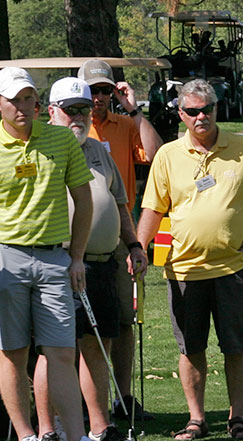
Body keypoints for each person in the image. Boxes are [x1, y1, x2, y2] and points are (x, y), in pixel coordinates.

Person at [137, 79, 243, 441]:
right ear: (181, 114)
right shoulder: (168, 155)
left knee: (236, 346)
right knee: (191, 349)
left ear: (217, 109)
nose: (201, 116)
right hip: (184, 270)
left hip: (234, 268)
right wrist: (138, 249)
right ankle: (196, 420)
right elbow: (152, 209)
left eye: (208, 109)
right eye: (193, 111)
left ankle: (237, 419)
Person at [0, 67, 119, 441]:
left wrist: (77, 256)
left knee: (61, 351)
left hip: (55, 259)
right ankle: (27, 438)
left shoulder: (61, 139)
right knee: (13, 351)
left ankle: (79, 440)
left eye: (29, 98)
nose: (23, 107)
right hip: (5, 255)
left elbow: (83, 199)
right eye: (15, 100)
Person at [33, 77, 148, 441]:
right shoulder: (42, 147)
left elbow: (118, 204)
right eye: (70, 110)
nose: (78, 117)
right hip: (57, 261)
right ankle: (48, 432)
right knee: (55, 349)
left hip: (100, 262)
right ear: (52, 112)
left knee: (97, 345)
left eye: (83, 109)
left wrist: (133, 244)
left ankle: (100, 428)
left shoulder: (99, 151)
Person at [78, 59, 163, 422]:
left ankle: (123, 398)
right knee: (81, 328)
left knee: (122, 322)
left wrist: (134, 108)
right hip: (74, 243)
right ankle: (84, 404)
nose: (98, 98)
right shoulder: (71, 127)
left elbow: (156, 154)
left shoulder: (125, 124)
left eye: (104, 91)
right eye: (92, 91)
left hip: (118, 236)